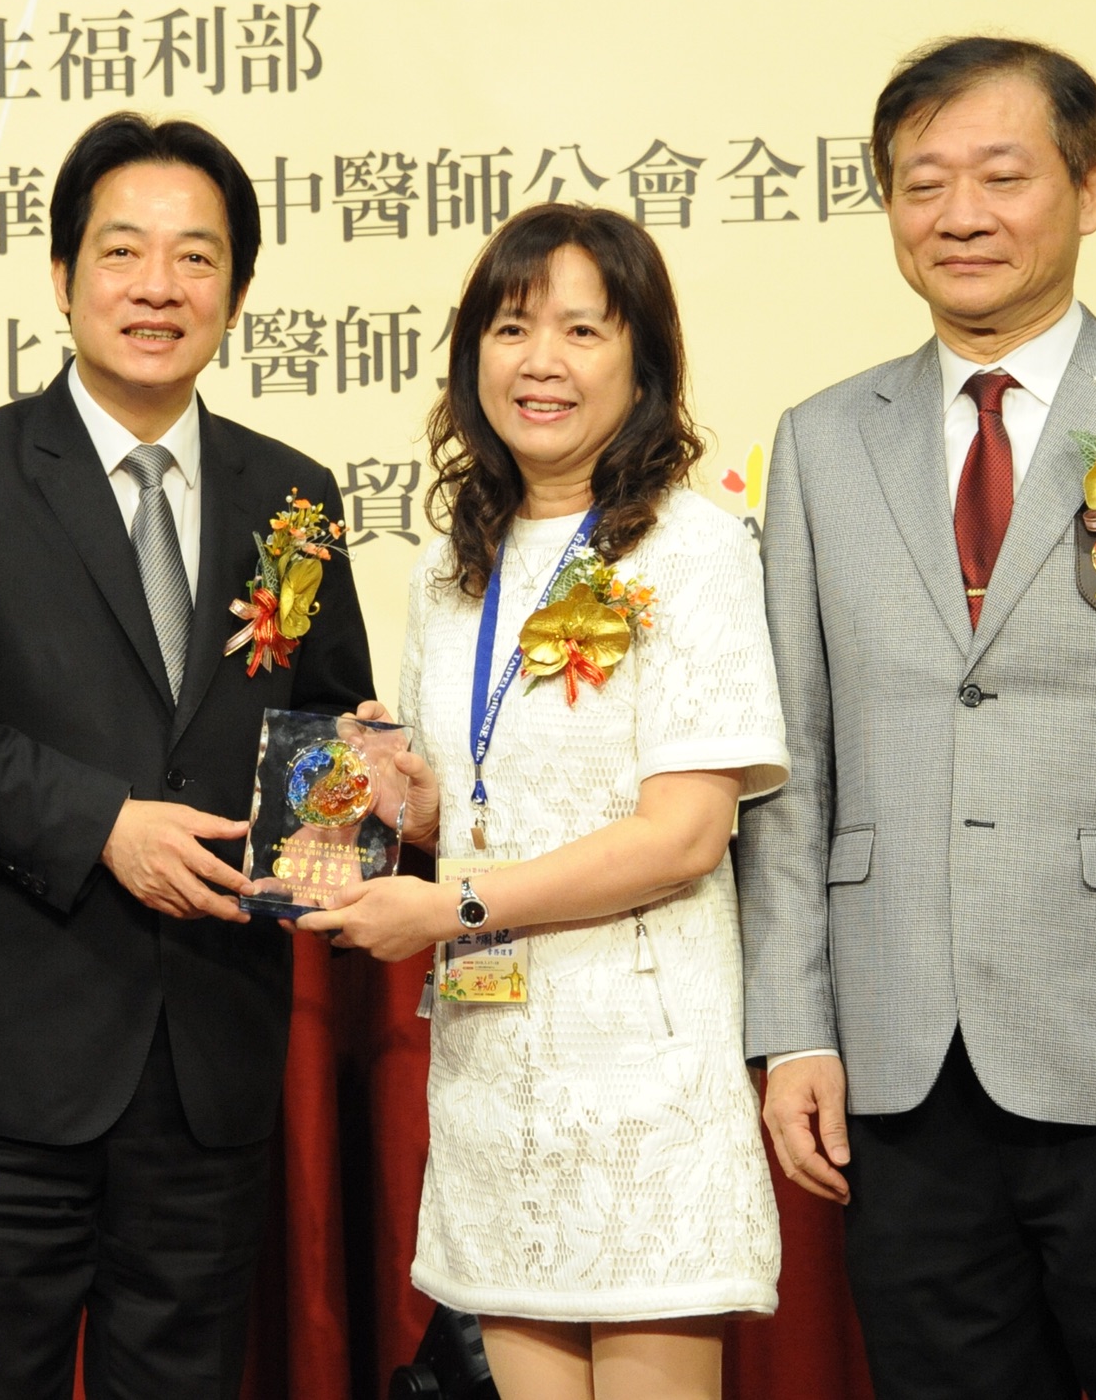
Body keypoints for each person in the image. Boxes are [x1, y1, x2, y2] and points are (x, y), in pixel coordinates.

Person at [736, 36, 1096, 1400]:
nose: (959, 215)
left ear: (1091, 187)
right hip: (899, 1060)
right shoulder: (822, 438)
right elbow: (792, 758)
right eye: (921, 182)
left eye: (1001, 176)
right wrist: (794, 1026)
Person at [0, 111, 375, 1399]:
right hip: (1, 1071)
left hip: (208, 1061)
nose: (158, 286)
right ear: (61, 276)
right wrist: (102, 823)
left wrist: (362, 796)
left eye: (195, 258)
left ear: (235, 295)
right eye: (122, 251)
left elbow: (326, 721)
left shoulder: (292, 494)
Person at [303, 204, 789, 1400]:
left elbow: (683, 833)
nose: (541, 361)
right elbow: (478, 798)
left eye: (582, 329)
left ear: (642, 361)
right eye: (512, 327)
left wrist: (449, 903)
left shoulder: (690, 548)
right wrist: (410, 801)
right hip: (490, 1071)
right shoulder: (448, 565)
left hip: (642, 1078)